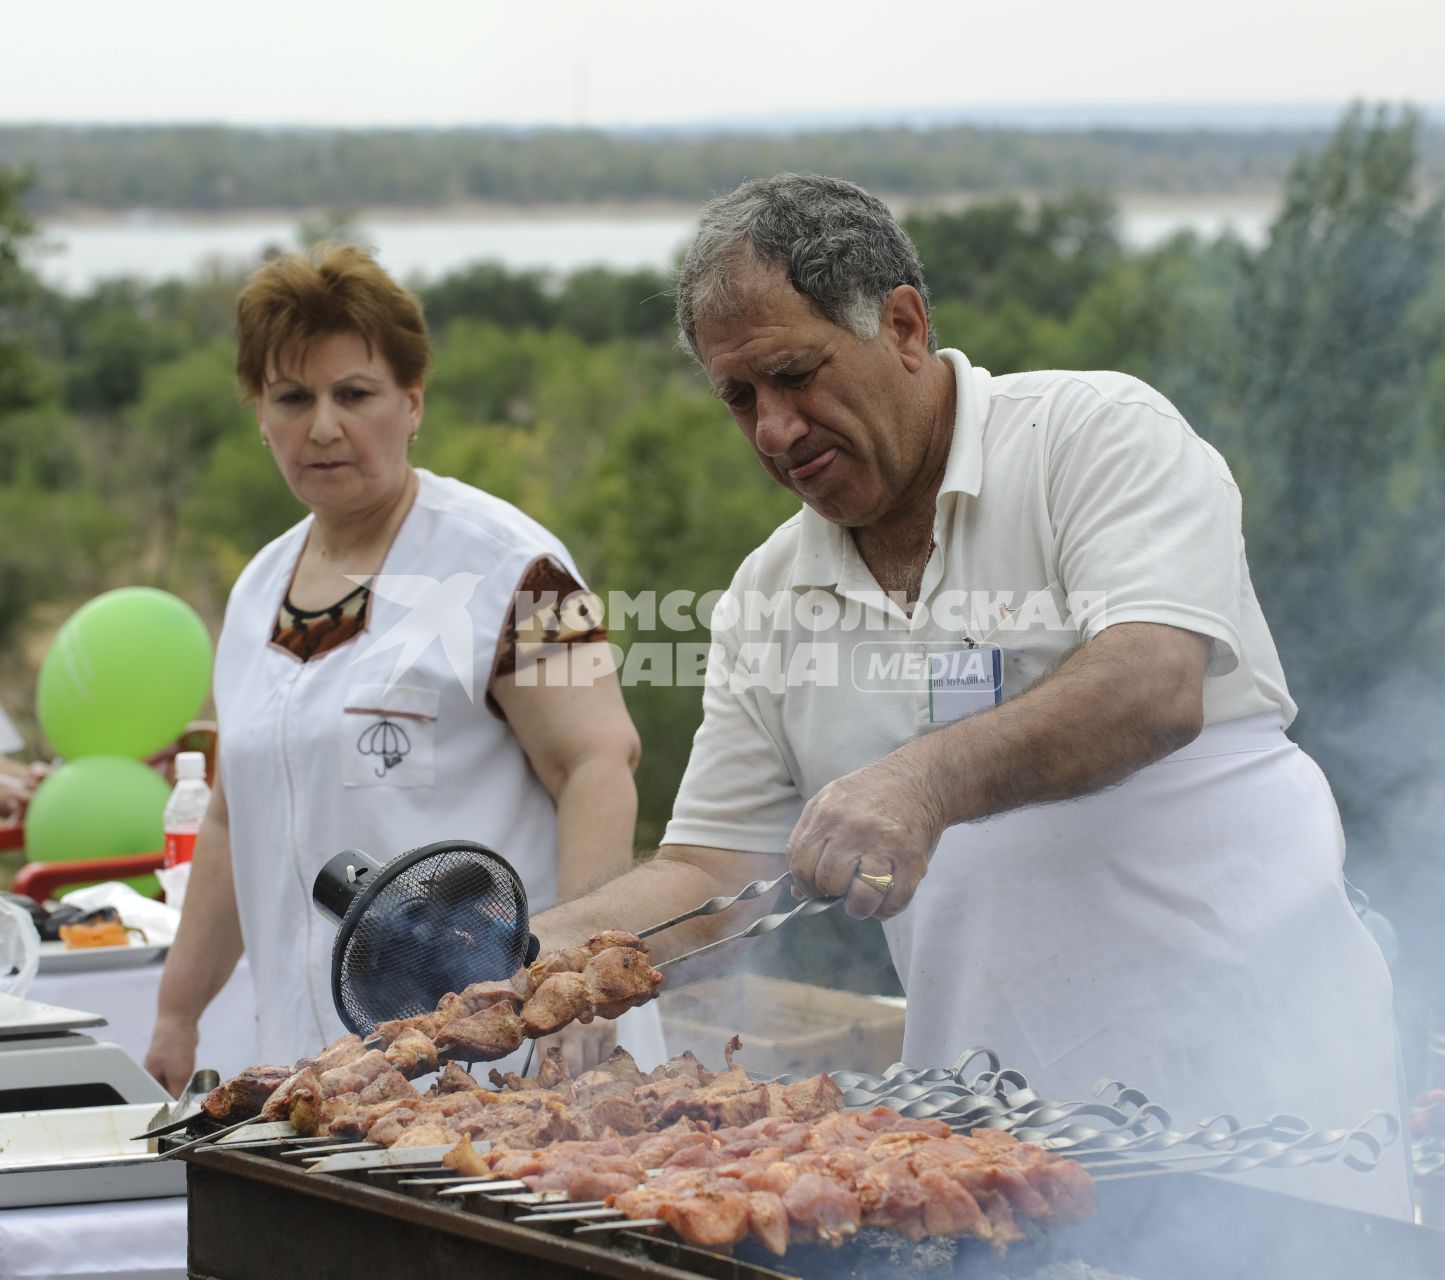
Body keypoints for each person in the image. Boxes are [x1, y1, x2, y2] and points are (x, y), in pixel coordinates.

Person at [529, 174, 1411, 1218]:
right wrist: (559, 950)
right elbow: (711, 864)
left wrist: (921, 779)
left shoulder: (1094, 437)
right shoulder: (767, 597)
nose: (771, 428)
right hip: (987, 1160)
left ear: (902, 324)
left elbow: (1152, 680)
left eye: (792, 374)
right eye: (737, 397)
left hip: (1253, 1122)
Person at [144, 243, 659, 1089]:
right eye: (291, 398)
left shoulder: (517, 566)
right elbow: (234, 822)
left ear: (412, 403)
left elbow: (599, 763)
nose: (322, 426)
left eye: (354, 394)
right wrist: (175, 1014)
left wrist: (577, 996)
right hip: (317, 1078)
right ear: (260, 417)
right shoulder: (254, 591)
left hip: (501, 1069)